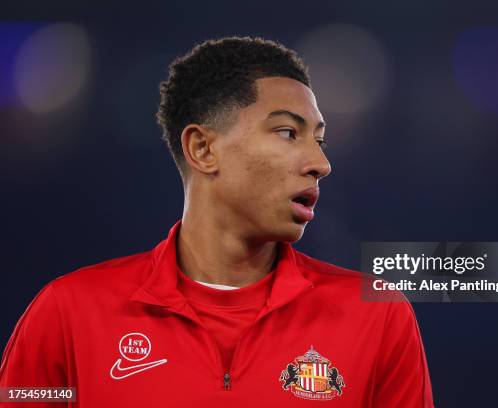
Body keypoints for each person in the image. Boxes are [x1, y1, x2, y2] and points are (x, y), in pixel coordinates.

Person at [0, 36, 434, 407]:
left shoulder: (378, 318)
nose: (320, 163)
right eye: (288, 133)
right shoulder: (67, 314)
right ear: (204, 150)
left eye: (319, 140)